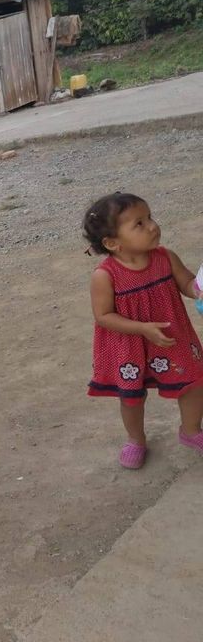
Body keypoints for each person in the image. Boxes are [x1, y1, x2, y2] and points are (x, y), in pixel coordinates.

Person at [84, 192, 203, 469]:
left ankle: (191, 431)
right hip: (129, 345)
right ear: (112, 243)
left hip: (172, 337)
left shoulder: (165, 257)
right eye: (139, 223)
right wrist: (141, 328)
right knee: (132, 396)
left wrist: (199, 288)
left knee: (195, 382)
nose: (152, 226)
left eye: (150, 217)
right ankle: (136, 440)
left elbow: (187, 284)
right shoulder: (105, 275)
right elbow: (103, 316)